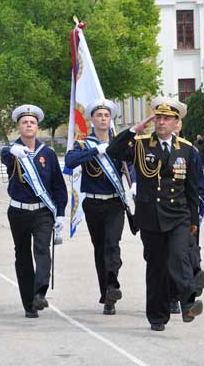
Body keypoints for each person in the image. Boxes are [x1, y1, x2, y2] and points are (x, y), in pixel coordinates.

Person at [107, 96, 203, 332]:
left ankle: (188, 302)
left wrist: (193, 221)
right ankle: (157, 317)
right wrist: (133, 130)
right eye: (158, 118)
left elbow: (193, 190)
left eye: (167, 118)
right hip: (151, 217)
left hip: (178, 215)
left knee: (179, 257)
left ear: (176, 123)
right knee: (157, 268)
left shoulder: (188, 150)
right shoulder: (141, 144)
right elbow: (113, 151)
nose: (161, 122)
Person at [0, 104, 67, 318]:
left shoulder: (47, 153)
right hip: (18, 213)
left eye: (32, 122)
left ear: (37, 127)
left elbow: (58, 185)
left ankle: (39, 294)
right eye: (24, 122)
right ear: (19, 128)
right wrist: (12, 150)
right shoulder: (13, 152)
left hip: (42, 213)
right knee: (22, 256)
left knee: (42, 251)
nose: (28, 125)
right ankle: (28, 304)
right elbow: (3, 156)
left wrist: (61, 212)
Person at [65, 98, 127, 316]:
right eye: (99, 115)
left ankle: (113, 286)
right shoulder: (83, 144)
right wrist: (95, 151)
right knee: (100, 249)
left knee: (112, 245)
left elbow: (131, 164)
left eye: (106, 115)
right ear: (92, 119)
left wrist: (135, 184)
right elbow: (70, 162)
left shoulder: (118, 143)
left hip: (114, 202)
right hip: (92, 203)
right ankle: (107, 295)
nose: (103, 119)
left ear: (111, 119)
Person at [168, 120, 204, 314]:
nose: (172, 126)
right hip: (165, 211)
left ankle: (194, 273)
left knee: (190, 248)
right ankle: (174, 295)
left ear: (180, 124)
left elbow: (197, 181)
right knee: (173, 254)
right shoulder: (153, 147)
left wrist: (199, 204)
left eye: (175, 122)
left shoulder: (189, 150)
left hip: (186, 209)